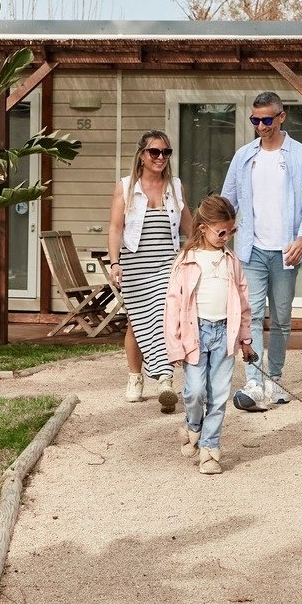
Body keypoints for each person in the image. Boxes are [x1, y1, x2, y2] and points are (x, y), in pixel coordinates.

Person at [221, 91, 302, 410]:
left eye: (267, 119)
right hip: (251, 252)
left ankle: (275, 378)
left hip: (286, 253)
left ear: (281, 117)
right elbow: (229, 200)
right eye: (256, 120)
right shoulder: (243, 157)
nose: (261, 126)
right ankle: (254, 379)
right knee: (251, 315)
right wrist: (218, 233)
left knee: (280, 318)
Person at [163, 195, 254, 474]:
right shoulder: (186, 261)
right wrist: (174, 346)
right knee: (195, 393)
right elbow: (173, 305)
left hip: (225, 333)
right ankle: (192, 426)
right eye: (222, 231)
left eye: (232, 231)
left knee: (218, 396)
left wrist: (246, 340)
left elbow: (243, 301)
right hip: (195, 334)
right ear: (203, 228)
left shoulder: (231, 261)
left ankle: (210, 451)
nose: (227, 236)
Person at [106, 130, 192, 411]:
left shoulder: (175, 186)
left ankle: (165, 379)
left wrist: (201, 252)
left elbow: (188, 228)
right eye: (154, 152)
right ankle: (135, 377)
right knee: (136, 322)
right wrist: (115, 262)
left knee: (164, 318)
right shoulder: (126, 186)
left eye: (166, 152)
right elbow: (116, 227)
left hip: (167, 262)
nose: (161, 158)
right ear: (142, 155)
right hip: (135, 263)